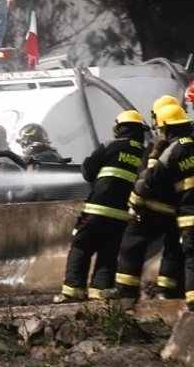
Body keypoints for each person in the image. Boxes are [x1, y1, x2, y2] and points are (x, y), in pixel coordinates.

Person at [56, 110, 145, 302]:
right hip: (122, 215)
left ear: (119, 128)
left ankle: (73, 290)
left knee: (81, 247)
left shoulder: (110, 146)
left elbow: (88, 171)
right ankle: (100, 290)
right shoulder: (145, 154)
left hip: (96, 210)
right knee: (109, 251)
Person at [144, 104, 194, 311]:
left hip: (191, 217)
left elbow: (151, 182)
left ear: (166, 129)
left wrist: (152, 157)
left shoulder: (171, 152)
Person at [115, 106, 185, 301]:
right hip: (177, 211)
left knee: (132, 243)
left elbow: (147, 180)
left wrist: (134, 205)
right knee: (173, 248)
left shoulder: (160, 147)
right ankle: (167, 290)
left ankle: (126, 291)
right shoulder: (189, 145)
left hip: (151, 208)